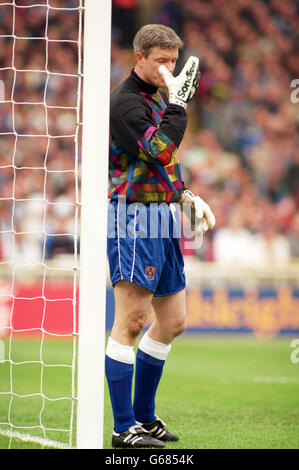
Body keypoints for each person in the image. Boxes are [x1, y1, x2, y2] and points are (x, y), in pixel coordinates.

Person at [106, 24, 215, 449]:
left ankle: (146, 418)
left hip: (163, 214)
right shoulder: (127, 102)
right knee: (131, 320)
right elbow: (159, 150)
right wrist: (180, 104)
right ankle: (122, 428)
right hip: (134, 216)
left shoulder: (156, 98)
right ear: (140, 58)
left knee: (173, 322)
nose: (169, 69)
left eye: (173, 61)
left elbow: (164, 166)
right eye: (161, 61)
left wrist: (183, 192)